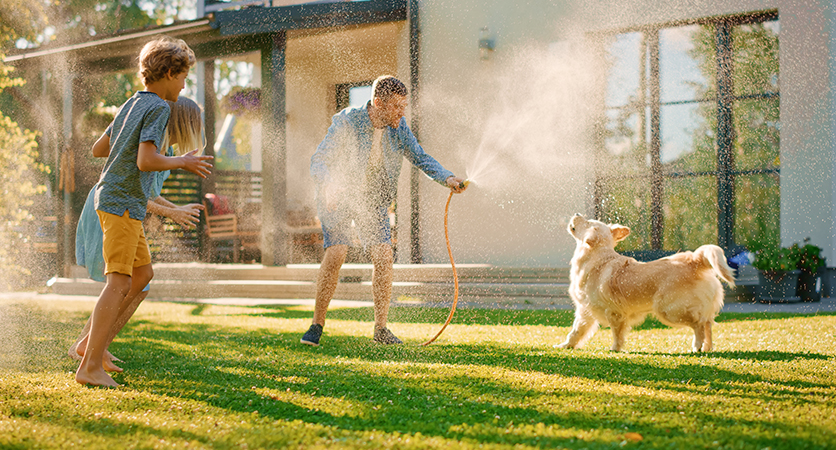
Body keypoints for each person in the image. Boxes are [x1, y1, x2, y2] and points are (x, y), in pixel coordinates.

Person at [75, 36, 213, 387]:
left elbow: (98, 148)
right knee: (119, 282)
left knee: (142, 275)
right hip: (120, 203)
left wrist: (124, 147)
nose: (183, 86)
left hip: (123, 201)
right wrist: (182, 161)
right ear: (168, 73)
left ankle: (87, 346)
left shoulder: (130, 104)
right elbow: (146, 160)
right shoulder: (159, 108)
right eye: (183, 78)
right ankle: (90, 365)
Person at [302, 75, 467, 347]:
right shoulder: (347, 121)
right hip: (338, 194)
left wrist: (447, 178)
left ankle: (381, 329)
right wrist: (329, 184)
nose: (402, 113)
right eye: (395, 106)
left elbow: (420, 157)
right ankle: (316, 325)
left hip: (373, 198)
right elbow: (319, 160)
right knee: (338, 250)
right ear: (377, 102)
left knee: (383, 254)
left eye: (404, 106)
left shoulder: (399, 128)